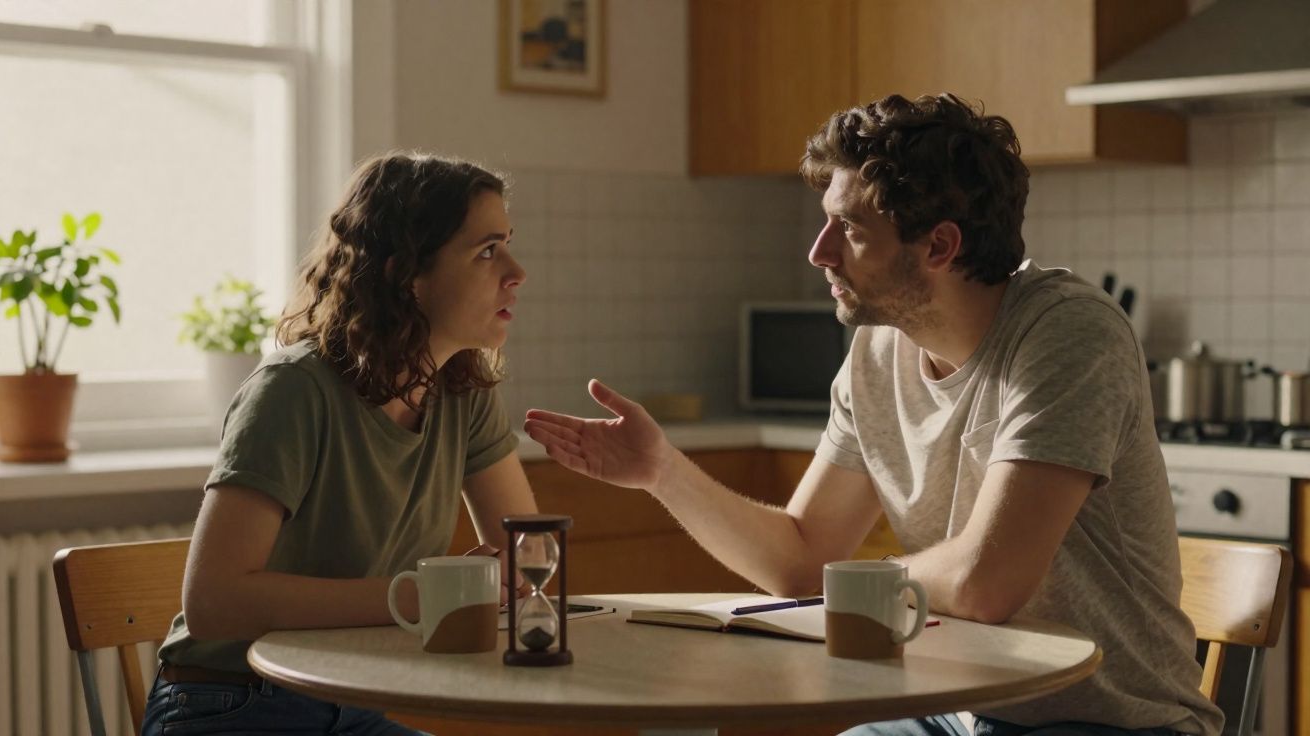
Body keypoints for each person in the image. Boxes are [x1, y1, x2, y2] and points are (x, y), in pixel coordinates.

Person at [524, 94, 1224, 736]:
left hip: (1108, 722)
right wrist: (663, 472)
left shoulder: (1068, 331)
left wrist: (864, 583)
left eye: (849, 228)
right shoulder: (876, 352)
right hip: (955, 714)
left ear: (940, 246)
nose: (818, 252)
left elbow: (987, 584)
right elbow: (803, 559)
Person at [144, 151, 536, 735]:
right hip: (230, 703)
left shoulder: (463, 392)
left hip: (349, 703)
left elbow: (524, 555)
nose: (516, 270)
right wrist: (415, 598)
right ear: (406, 274)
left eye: (506, 243)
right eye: (486, 251)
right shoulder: (293, 392)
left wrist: (499, 576)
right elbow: (213, 602)